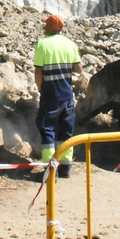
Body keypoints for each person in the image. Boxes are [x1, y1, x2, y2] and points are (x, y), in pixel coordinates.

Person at [32, 14, 83, 178]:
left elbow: (38, 72)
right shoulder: (70, 44)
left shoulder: (42, 45)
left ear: (53, 27)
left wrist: (40, 89)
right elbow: (79, 69)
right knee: (66, 130)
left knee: (46, 127)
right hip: (67, 95)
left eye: (46, 24)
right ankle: (66, 167)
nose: (44, 27)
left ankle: (50, 169)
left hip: (50, 94)